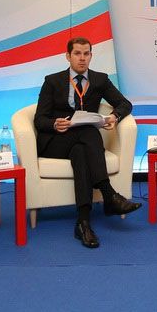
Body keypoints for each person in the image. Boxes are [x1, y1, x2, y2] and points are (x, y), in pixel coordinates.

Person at [33, 37, 141, 248]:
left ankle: (83, 223)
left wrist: (114, 117)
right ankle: (109, 195)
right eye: (77, 54)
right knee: (90, 133)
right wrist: (54, 123)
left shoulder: (100, 80)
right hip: (56, 141)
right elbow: (39, 119)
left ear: (91, 56)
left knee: (81, 151)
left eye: (86, 54)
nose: (82, 58)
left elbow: (124, 104)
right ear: (68, 56)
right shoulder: (52, 81)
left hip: (81, 144)